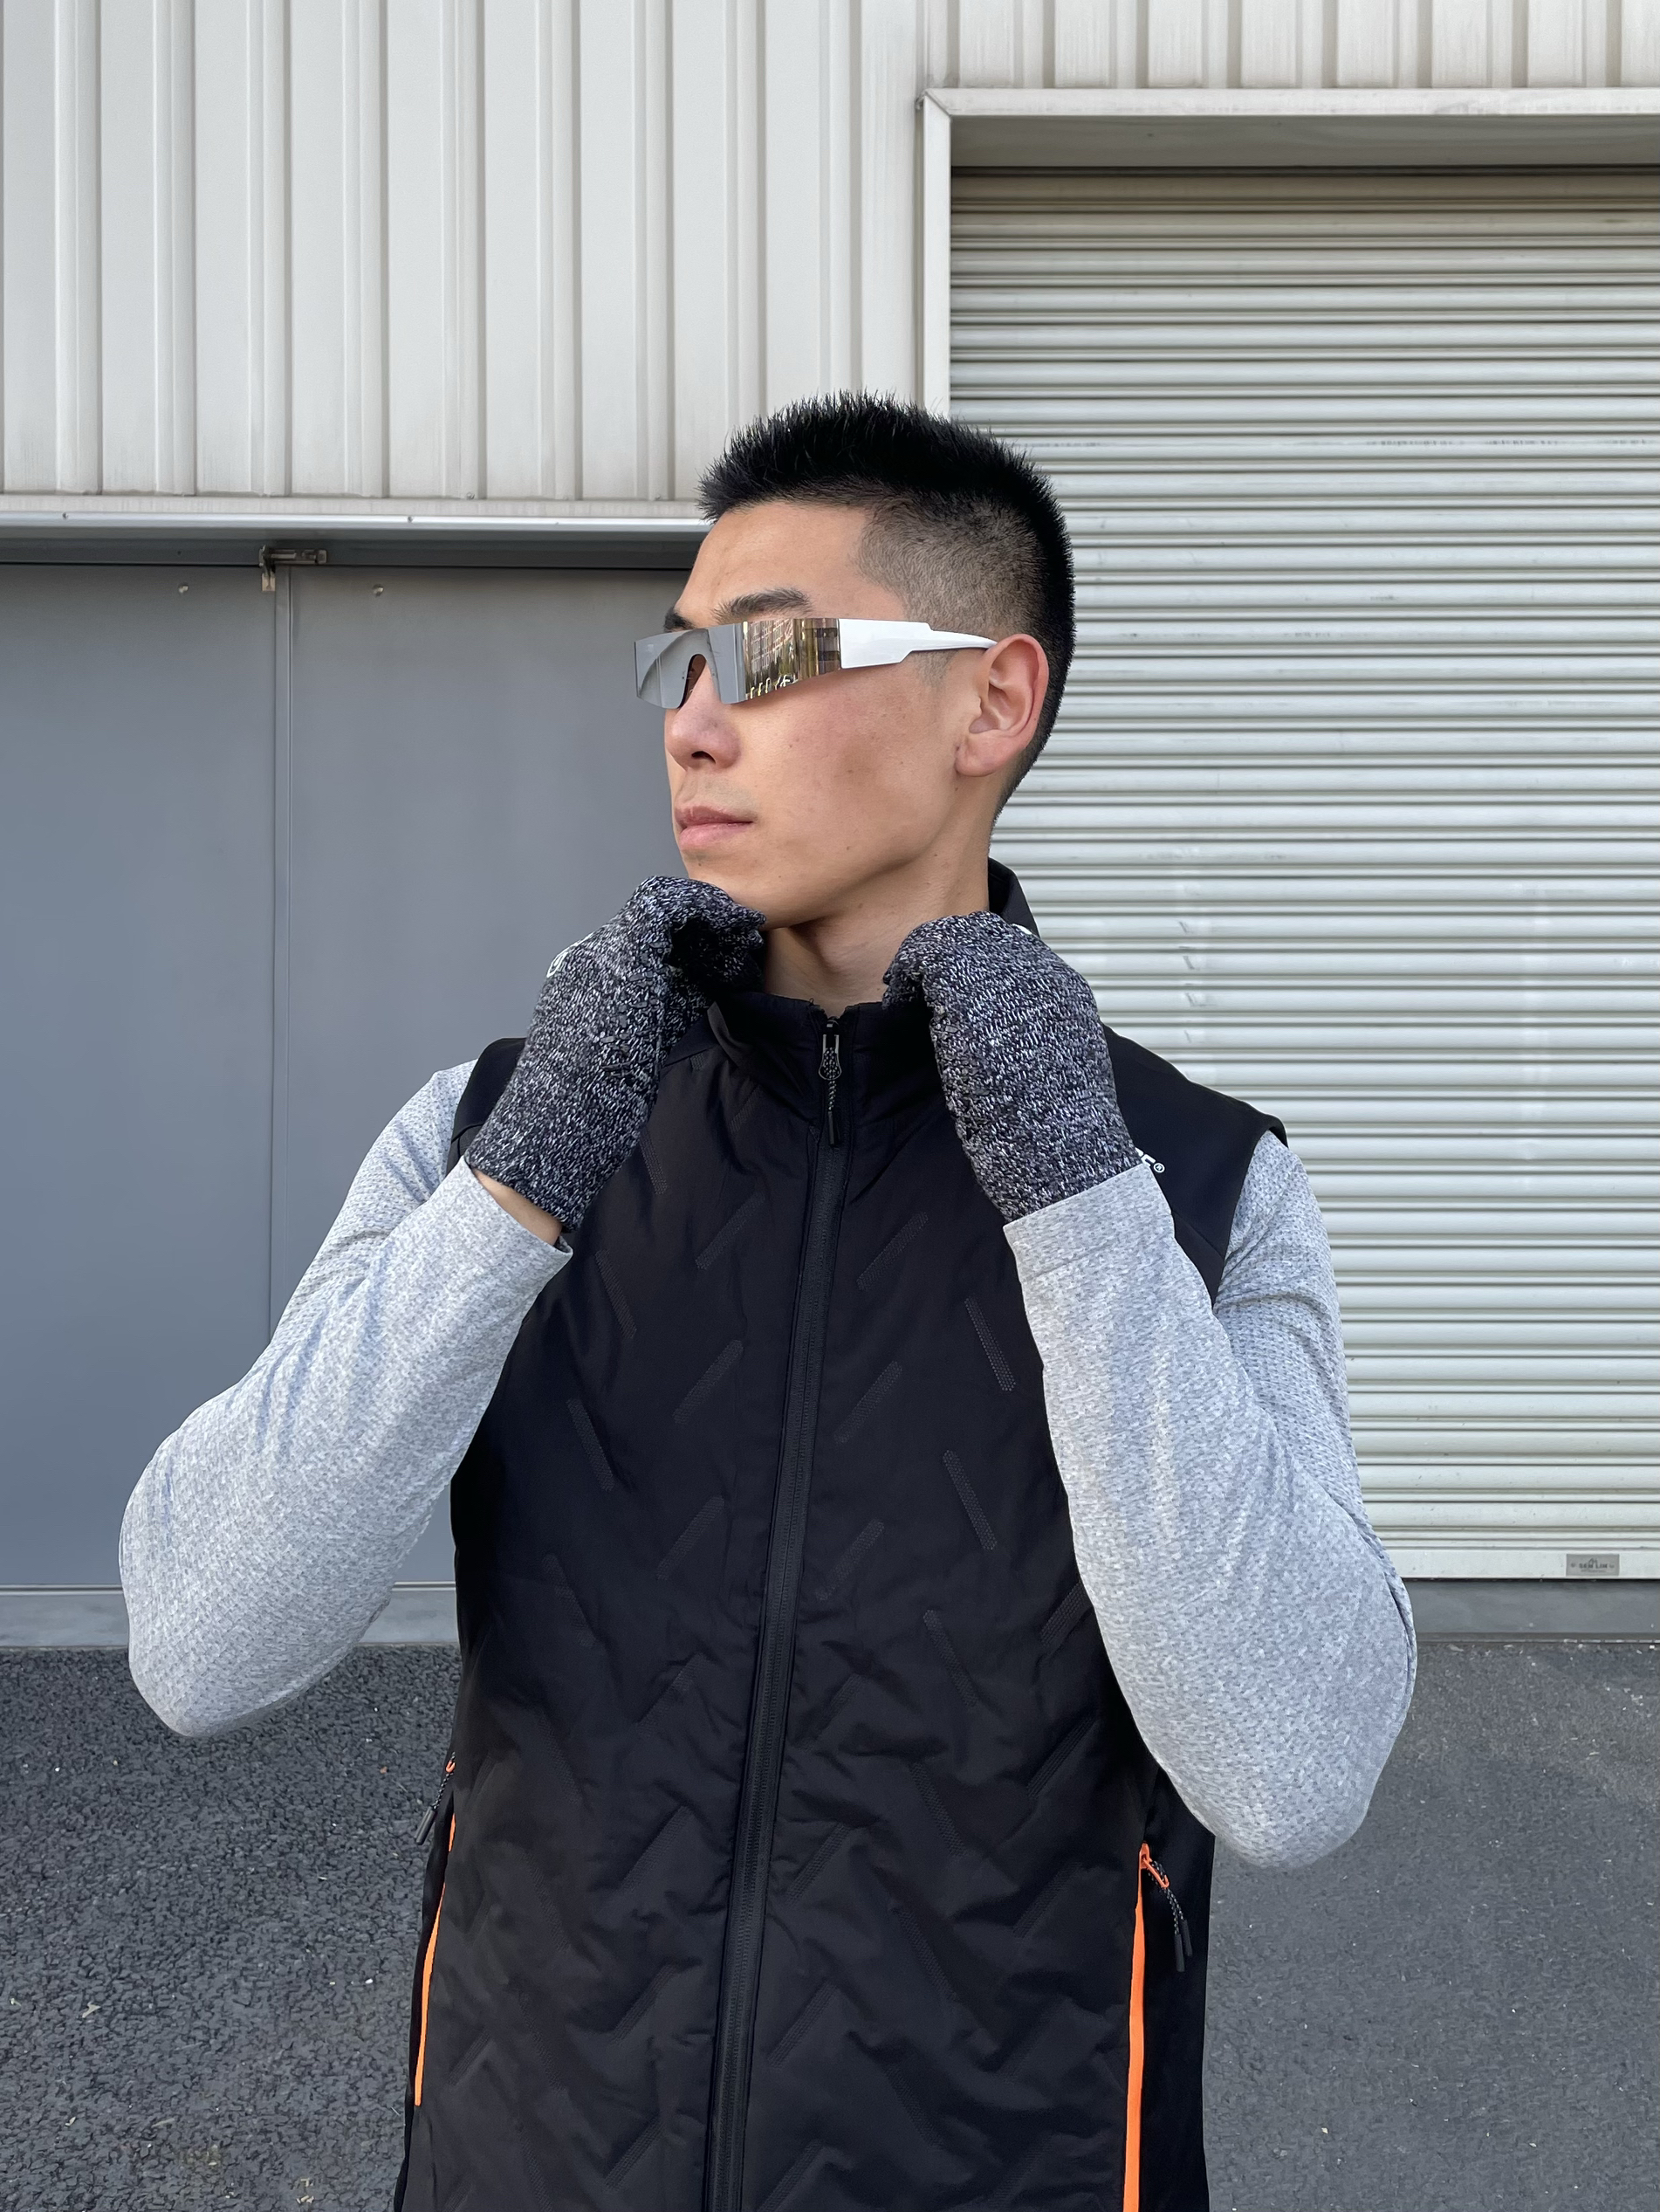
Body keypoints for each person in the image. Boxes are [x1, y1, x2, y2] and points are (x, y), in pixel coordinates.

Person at [121, 394, 1416, 2212]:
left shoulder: (1196, 1183)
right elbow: (199, 1640)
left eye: (777, 653)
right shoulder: (502, 1129)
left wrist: (1072, 1184)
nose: (695, 720)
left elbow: (1293, 1764)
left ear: (992, 702)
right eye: (681, 659)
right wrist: (520, 1184)